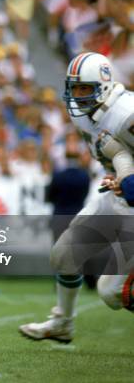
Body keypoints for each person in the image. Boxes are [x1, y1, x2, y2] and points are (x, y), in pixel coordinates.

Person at [20, 52, 134, 343]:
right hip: (119, 195)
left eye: (85, 88)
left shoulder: (126, 114)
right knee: (64, 255)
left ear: (105, 85)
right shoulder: (83, 112)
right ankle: (62, 323)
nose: (78, 95)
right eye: (75, 88)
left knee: (112, 293)